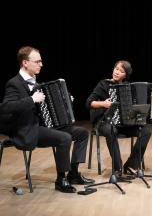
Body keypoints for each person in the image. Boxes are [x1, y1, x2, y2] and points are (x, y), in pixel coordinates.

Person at [0, 46, 94, 193]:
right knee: (64, 138)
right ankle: (61, 180)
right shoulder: (14, 83)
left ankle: (73, 174)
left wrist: (65, 101)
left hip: (43, 126)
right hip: (27, 129)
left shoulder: (35, 82)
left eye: (41, 61)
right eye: (37, 61)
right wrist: (31, 99)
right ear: (25, 63)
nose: (41, 64)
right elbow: (6, 107)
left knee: (82, 133)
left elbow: (45, 107)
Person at [86, 60, 152, 176]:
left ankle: (131, 165)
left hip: (123, 123)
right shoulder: (103, 84)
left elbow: (137, 107)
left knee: (145, 132)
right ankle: (117, 168)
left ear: (126, 75)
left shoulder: (128, 87)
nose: (117, 72)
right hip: (104, 122)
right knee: (111, 130)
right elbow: (89, 103)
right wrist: (104, 104)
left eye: (121, 71)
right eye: (116, 69)